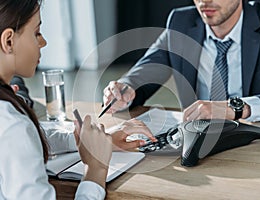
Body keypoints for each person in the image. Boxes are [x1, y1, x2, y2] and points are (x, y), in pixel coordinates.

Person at [0, 0, 156, 199]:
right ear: (9, 41)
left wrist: (89, 141)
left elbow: (26, 139)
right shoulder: (13, 126)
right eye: (36, 33)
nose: (43, 42)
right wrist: (96, 169)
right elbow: (18, 137)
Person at [103, 0, 260, 124]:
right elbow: (146, 70)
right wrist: (125, 89)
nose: (205, 1)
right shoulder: (181, 21)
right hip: (199, 141)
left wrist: (236, 108)